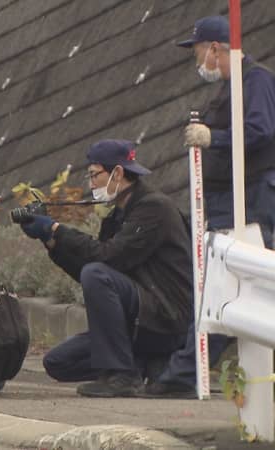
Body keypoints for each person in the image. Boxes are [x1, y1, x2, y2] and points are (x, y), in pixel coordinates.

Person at [143, 15, 275, 399]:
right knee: (225, 285)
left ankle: (186, 370)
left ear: (215, 48)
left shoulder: (256, 81)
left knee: (226, 283)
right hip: (232, 197)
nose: (197, 60)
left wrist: (213, 138)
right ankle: (187, 368)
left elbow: (260, 129)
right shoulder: (233, 86)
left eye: (198, 51)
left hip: (247, 198)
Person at [20, 139, 192, 398]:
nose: (90, 184)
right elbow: (92, 271)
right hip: (137, 320)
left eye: (93, 175)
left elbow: (107, 259)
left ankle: (123, 376)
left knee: (96, 273)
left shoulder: (154, 208)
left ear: (118, 173)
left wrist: (57, 228)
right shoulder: (117, 217)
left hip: (164, 316)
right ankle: (142, 362)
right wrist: (52, 241)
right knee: (58, 363)